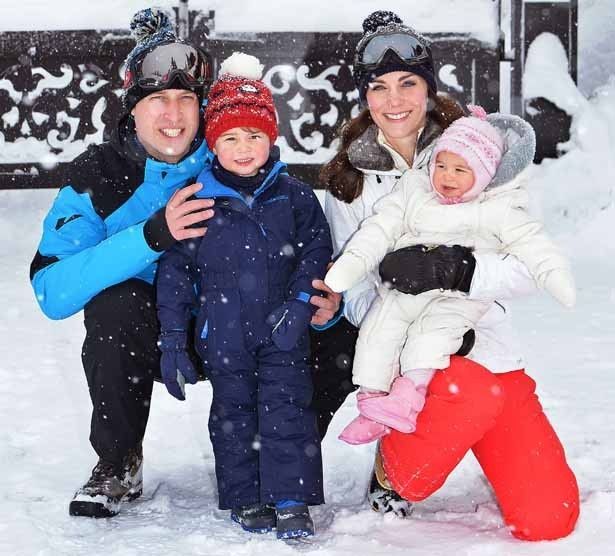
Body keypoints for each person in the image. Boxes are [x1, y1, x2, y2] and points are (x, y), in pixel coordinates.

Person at [29, 9, 340, 519]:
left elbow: (304, 238)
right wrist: (153, 235)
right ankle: (118, 459)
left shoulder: (235, 153)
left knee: (335, 323)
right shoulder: (98, 176)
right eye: (157, 100)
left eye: (185, 100)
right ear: (132, 107)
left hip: (255, 320)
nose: (172, 115)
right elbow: (51, 292)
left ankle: (281, 449)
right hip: (166, 330)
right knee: (115, 307)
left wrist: (323, 298)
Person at [317, 9, 574, 521]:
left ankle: (470, 434)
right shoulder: (352, 181)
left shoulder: (480, 152)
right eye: (380, 87)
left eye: (408, 83)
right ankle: (395, 467)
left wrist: (461, 272)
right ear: (364, 97)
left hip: (489, 343)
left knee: (549, 516)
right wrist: (406, 316)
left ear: (429, 87)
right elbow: (356, 287)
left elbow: (529, 264)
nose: (395, 101)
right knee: (466, 393)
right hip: (406, 354)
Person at [324, 105, 575, 445]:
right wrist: (356, 267)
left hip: (463, 311)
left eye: (460, 169)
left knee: (429, 341)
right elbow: (377, 231)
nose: (447, 176)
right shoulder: (412, 191)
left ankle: (405, 399)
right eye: (441, 165)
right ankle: (372, 404)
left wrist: (461, 271)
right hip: (402, 293)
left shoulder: (497, 206)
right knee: (378, 332)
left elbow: (533, 255)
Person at [156, 52, 331, 539]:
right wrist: (174, 336)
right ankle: (247, 495)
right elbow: (174, 270)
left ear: (270, 137)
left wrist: (300, 303)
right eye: (230, 137)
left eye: (254, 135)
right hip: (224, 334)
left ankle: (292, 498)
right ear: (213, 143)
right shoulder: (197, 198)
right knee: (233, 415)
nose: (243, 147)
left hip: (282, 328)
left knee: (287, 409)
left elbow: (317, 251)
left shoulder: (294, 196)